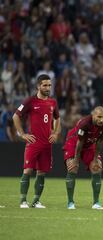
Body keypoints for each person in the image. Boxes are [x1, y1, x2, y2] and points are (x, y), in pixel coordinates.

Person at [13, 74, 61, 208]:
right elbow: (16, 116)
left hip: (47, 144)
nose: (48, 87)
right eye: (45, 85)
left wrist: (56, 133)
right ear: (38, 86)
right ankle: (23, 201)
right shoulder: (30, 101)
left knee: (41, 172)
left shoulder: (53, 102)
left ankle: (36, 201)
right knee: (27, 171)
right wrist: (22, 134)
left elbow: (58, 118)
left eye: (49, 85)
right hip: (33, 143)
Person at [63, 106, 103, 210]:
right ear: (93, 115)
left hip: (89, 145)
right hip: (74, 142)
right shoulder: (84, 124)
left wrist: (95, 159)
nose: (102, 120)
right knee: (73, 168)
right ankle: (70, 202)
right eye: (99, 117)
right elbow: (79, 143)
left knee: (97, 167)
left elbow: (100, 141)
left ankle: (96, 203)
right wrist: (76, 160)